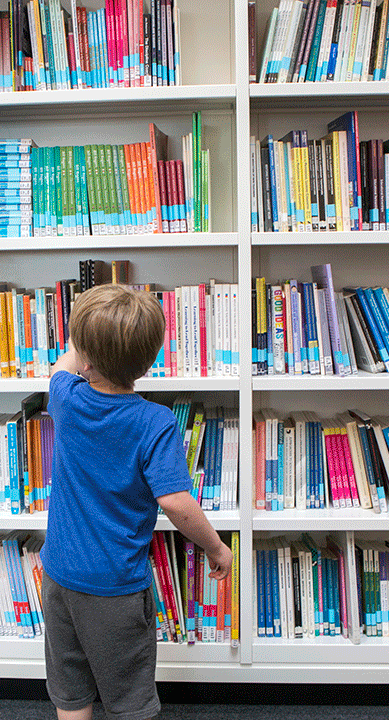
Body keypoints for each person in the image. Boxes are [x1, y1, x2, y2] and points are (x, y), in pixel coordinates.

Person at [41, 283, 233, 720]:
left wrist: (84, 337)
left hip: (59, 577)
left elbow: (63, 364)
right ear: (150, 360)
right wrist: (216, 547)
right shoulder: (155, 421)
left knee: (70, 689)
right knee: (129, 696)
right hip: (116, 589)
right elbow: (178, 504)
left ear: (85, 358)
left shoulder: (65, 399)